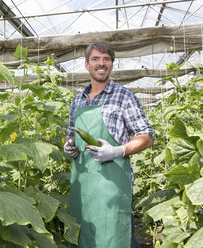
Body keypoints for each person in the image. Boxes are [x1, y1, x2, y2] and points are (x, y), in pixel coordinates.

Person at [64, 41, 154, 248]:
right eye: (95, 59)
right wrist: (68, 146)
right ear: (87, 65)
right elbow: (70, 134)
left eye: (106, 59)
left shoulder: (124, 96)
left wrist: (118, 150)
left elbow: (147, 136)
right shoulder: (77, 100)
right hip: (83, 186)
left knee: (114, 237)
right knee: (82, 236)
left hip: (112, 187)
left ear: (112, 64)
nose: (101, 63)